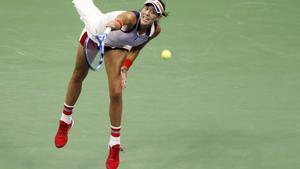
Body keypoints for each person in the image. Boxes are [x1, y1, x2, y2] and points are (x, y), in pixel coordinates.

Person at [54, 0, 167, 168]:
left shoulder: (154, 30)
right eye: (146, 8)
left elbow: (137, 48)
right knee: (78, 75)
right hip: (96, 33)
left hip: (118, 45)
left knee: (116, 92)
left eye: (152, 12)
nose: (147, 13)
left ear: (158, 17)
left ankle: (114, 144)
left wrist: (125, 68)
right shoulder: (129, 17)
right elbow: (121, 20)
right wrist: (114, 25)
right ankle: (65, 121)